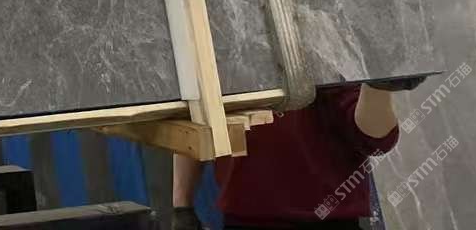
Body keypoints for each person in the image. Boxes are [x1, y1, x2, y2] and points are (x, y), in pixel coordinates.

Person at [172, 80, 419, 229]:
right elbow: (193, 124)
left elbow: (376, 141)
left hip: (329, 221)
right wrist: (181, 206)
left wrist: (377, 87)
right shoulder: (219, 41)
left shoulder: (327, 39)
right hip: (244, 217)